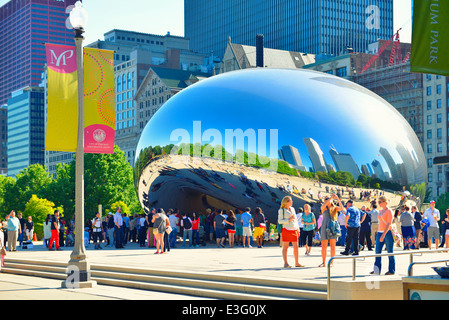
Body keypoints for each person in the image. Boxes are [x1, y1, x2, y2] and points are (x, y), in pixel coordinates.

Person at [372, 195, 395, 275]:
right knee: (377, 251)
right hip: (379, 232)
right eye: (378, 202)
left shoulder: (389, 211)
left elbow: (389, 223)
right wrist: (379, 233)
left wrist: (383, 234)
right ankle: (376, 270)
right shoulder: (380, 211)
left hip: (387, 233)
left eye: (380, 202)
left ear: (385, 202)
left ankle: (391, 270)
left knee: (390, 252)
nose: (378, 203)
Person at [278, 196, 304, 268]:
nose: (292, 202)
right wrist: (288, 220)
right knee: (285, 247)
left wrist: (298, 229)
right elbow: (280, 221)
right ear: (286, 202)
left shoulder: (292, 209)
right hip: (286, 229)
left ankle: (297, 262)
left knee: (296, 246)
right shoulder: (281, 210)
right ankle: (286, 263)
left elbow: (295, 220)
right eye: (290, 201)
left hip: (294, 229)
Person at [320, 194, 344, 267]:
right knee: (324, 245)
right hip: (325, 226)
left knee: (332, 245)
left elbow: (341, 208)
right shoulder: (323, 207)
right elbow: (324, 206)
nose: (327, 200)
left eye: (328, 199)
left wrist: (337, 198)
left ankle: (332, 262)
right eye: (326, 199)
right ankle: (323, 262)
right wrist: (330, 198)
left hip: (333, 226)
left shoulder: (335, 208)